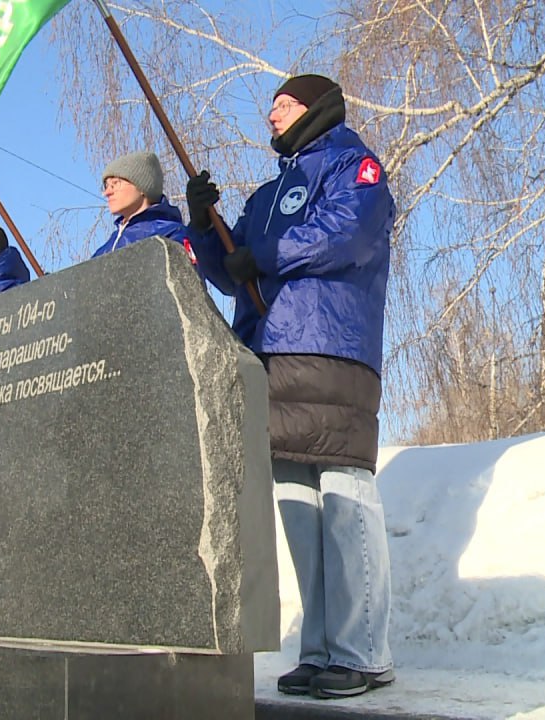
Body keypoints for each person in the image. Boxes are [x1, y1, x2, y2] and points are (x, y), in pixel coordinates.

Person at [185, 74, 395, 699]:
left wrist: (266, 254)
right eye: (271, 105)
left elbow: (348, 235)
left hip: (333, 345)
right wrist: (203, 224)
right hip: (270, 353)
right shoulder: (267, 196)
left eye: (284, 104)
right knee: (298, 508)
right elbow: (230, 270)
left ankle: (363, 652)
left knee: (344, 494)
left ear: (317, 108)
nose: (271, 114)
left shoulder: (354, 166)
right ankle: (323, 648)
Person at [92, 151, 195, 259]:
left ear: (142, 186)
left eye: (115, 184)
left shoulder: (171, 234)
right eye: (106, 186)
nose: (107, 193)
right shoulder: (103, 251)